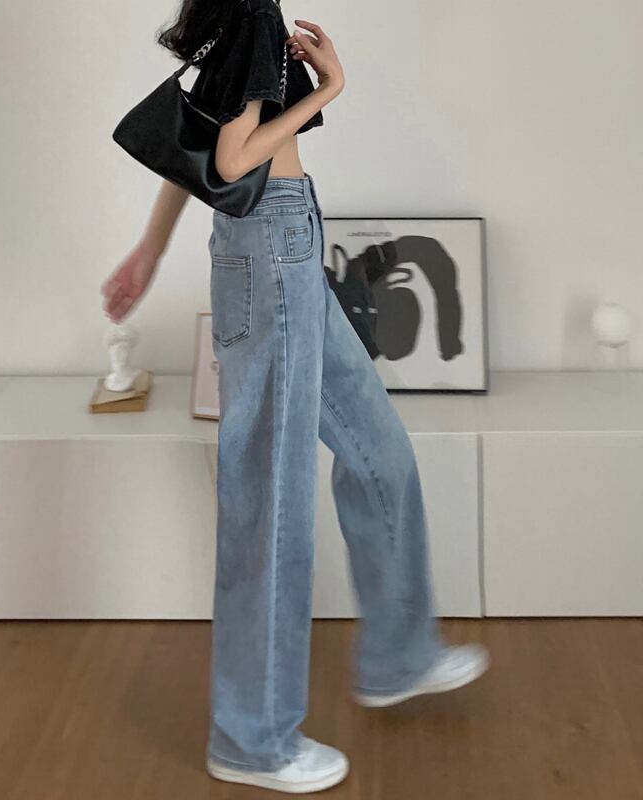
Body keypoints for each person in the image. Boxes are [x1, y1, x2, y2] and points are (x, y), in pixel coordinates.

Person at [102, 0, 489, 793]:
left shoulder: (249, 16)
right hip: (272, 250)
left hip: (285, 247)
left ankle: (399, 655)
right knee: (271, 505)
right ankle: (252, 740)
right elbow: (235, 161)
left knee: (379, 451)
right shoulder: (253, 10)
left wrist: (149, 249)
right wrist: (331, 89)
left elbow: (201, 148)